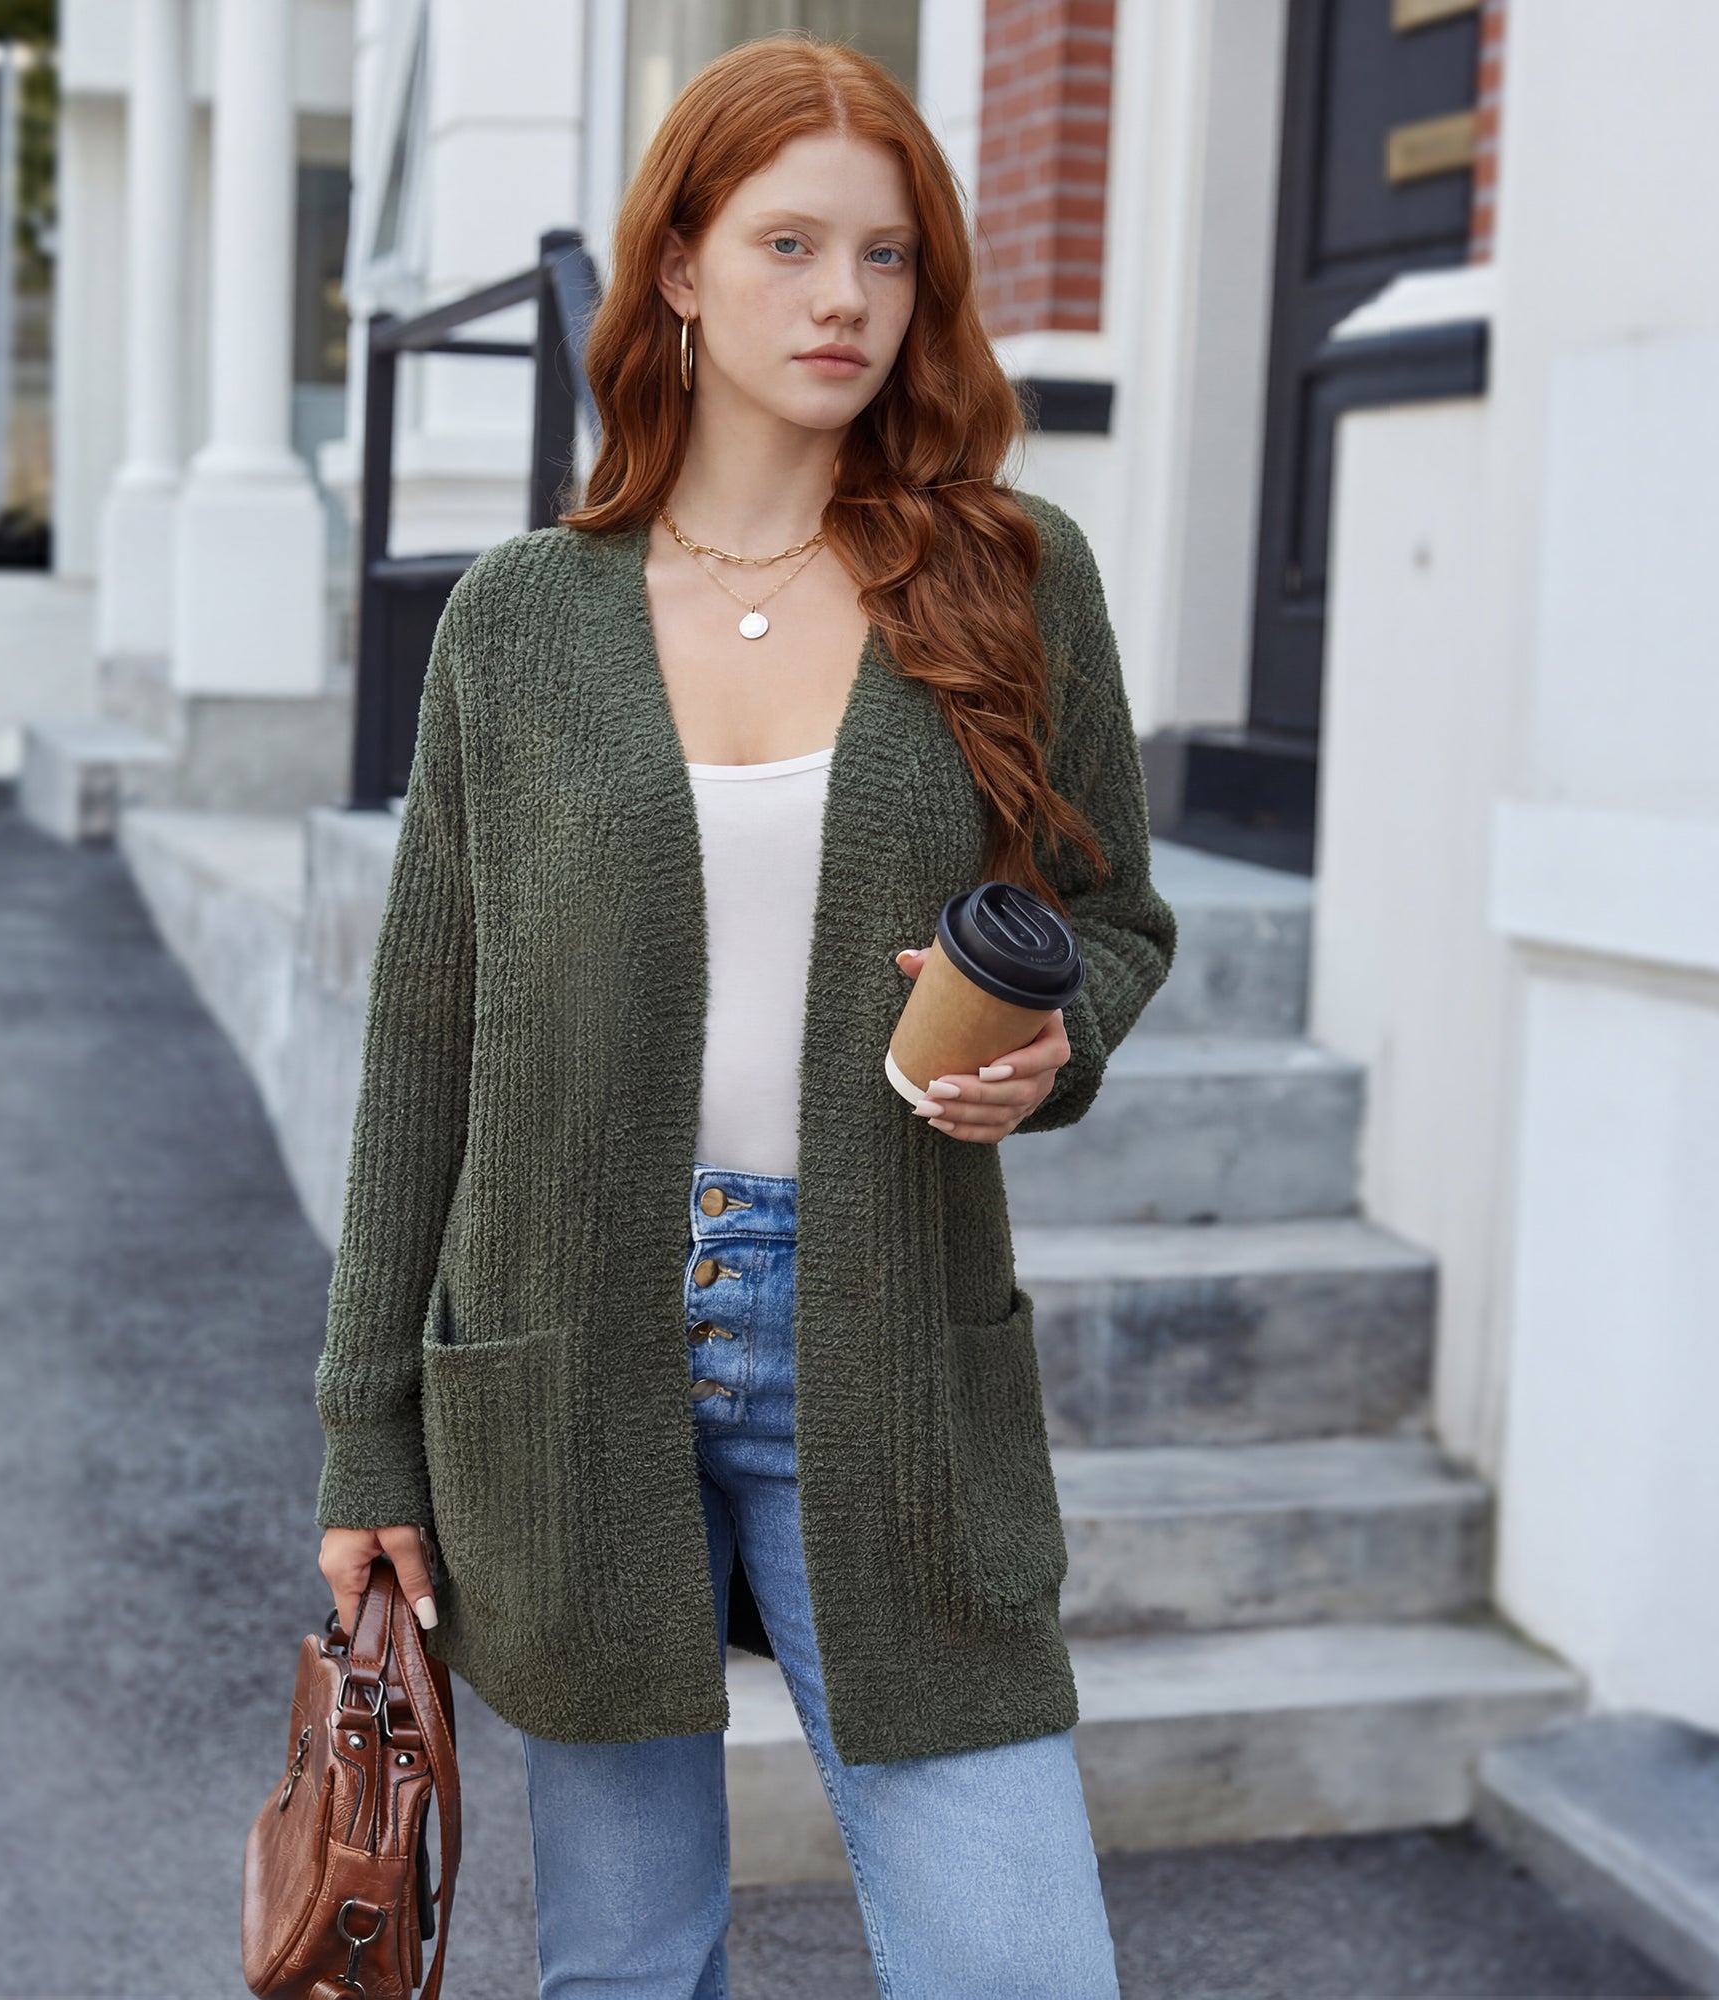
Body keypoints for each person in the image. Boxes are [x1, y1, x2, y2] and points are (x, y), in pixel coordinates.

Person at [314, 32, 1176, 1999]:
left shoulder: (1011, 578)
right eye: (790, 244)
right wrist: (363, 1434)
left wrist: (1052, 1048)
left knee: (1017, 1961)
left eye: (886, 258)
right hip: (564, 1340)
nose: (846, 302)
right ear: (681, 266)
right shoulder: (520, 623)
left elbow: (1111, 912)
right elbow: (421, 1036)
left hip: (876, 1327)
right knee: (625, 1965)